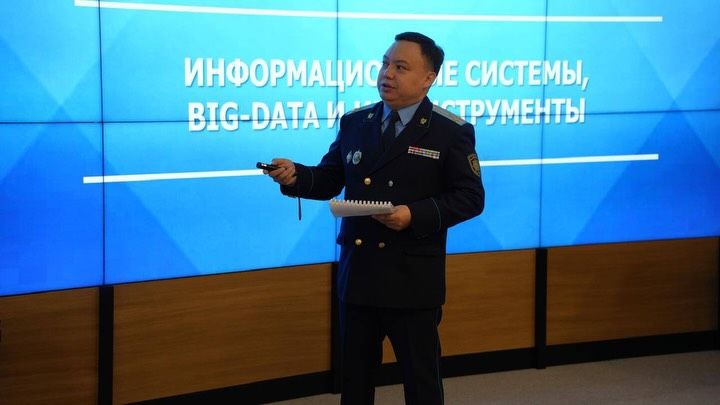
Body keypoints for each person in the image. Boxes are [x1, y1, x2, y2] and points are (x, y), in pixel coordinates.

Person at [266, 32, 484, 404]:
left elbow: (470, 198)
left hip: (412, 280)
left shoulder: (450, 130)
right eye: (385, 63)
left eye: (401, 67)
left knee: (421, 384)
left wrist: (413, 215)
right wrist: (296, 176)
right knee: (355, 383)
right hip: (360, 276)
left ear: (428, 78)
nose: (388, 74)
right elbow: (330, 178)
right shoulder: (356, 122)